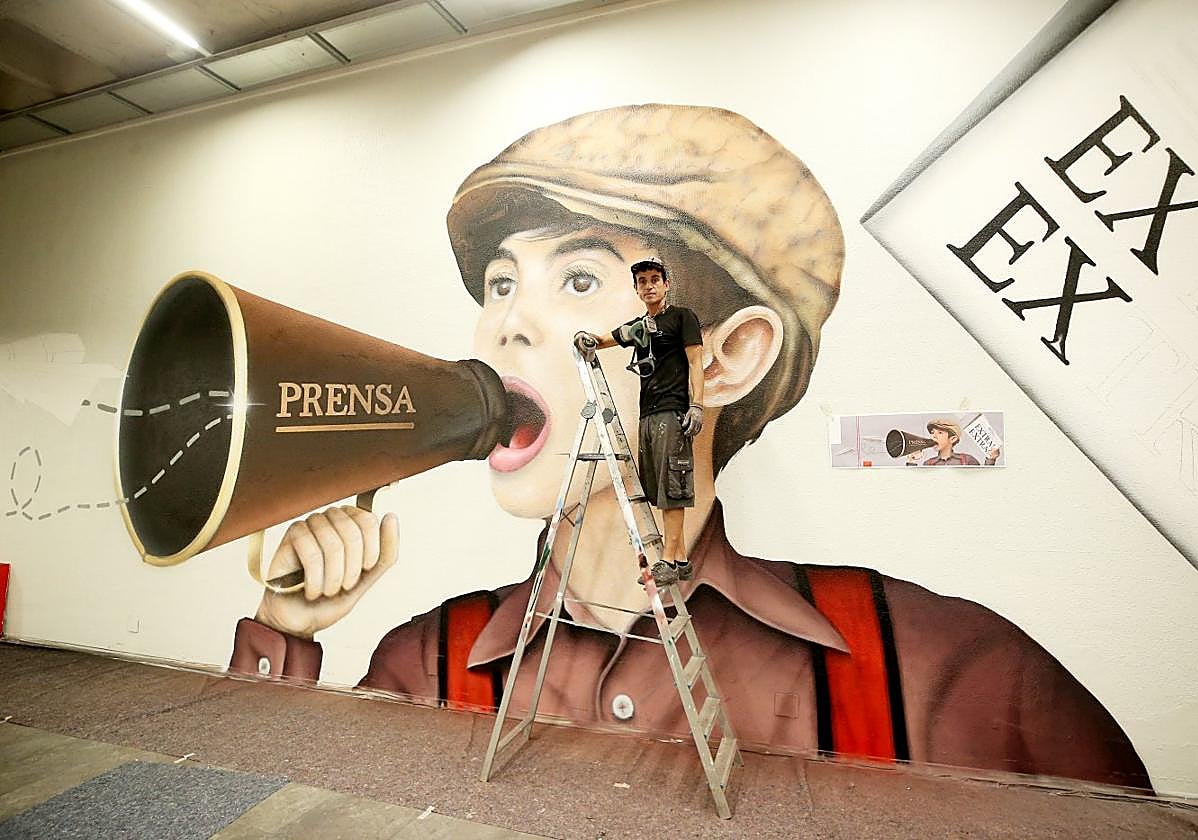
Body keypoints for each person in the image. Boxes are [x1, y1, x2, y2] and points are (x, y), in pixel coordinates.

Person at [229, 104, 1151, 790]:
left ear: (727, 359)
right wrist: (285, 637)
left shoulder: (952, 680)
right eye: (501, 282)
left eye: (581, 276)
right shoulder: (426, 663)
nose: (508, 323)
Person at [574, 256, 704, 586]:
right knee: (660, 487)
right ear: (637, 289)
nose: (649, 286)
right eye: (642, 282)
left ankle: (669, 562)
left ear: (666, 284)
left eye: (654, 280)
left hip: (672, 413)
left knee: (673, 487)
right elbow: (605, 340)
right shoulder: (639, 327)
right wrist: (586, 339)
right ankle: (683, 560)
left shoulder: (681, 318)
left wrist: (697, 405)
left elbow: (695, 363)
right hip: (649, 413)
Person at [906, 418, 1001, 465]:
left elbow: (983, 481)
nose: (933, 436)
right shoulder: (928, 464)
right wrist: (911, 461)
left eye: (940, 433)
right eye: (932, 432)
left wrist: (991, 459)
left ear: (952, 439)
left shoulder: (968, 460)